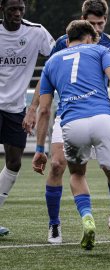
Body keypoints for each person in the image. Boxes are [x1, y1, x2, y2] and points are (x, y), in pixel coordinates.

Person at [32, 20, 110, 257]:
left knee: (78, 174)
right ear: (90, 37)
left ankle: (88, 219)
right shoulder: (102, 50)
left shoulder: (52, 62)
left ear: (67, 41)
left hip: (71, 124)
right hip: (102, 119)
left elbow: (45, 110)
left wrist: (39, 148)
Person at [22, 0, 110, 244]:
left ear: (106, 20)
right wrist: (33, 107)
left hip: (101, 114)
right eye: (92, 24)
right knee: (57, 165)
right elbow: (47, 77)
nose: (97, 29)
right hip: (68, 113)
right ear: (83, 20)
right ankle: (54, 225)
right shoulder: (63, 42)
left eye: (101, 23)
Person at [0, 0, 54, 237]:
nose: (17, 13)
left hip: (15, 109)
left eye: (21, 8)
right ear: (2, 8)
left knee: (14, 162)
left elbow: (56, 58)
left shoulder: (36, 32)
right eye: (12, 8)